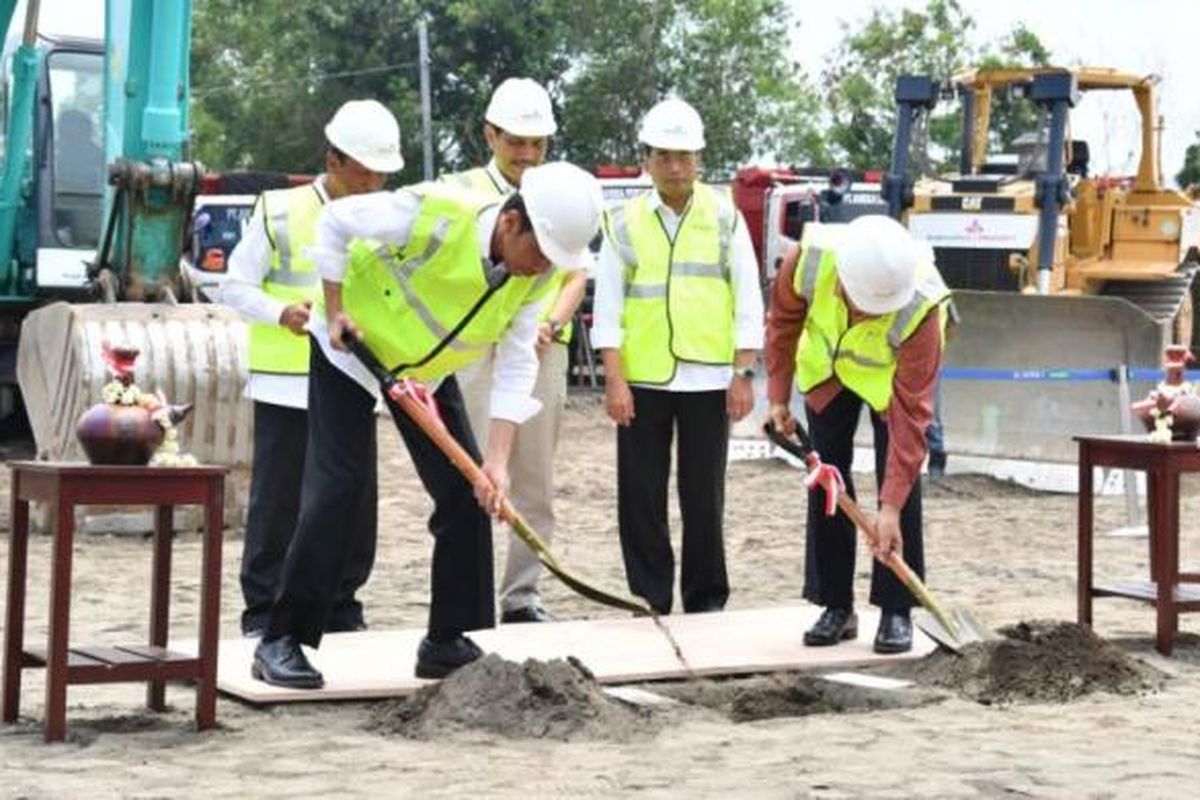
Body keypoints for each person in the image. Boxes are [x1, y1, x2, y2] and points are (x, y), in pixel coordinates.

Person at [251, 160, 604, 689]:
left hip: (425, 372)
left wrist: (497, 463)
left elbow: (515, 364)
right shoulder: (435, 214)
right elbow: (334, 224)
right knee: (339, 488)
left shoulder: (535, 278)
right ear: (511, 223)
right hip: (355, 349)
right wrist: (335, 305)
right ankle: (283, 638)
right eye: (540, 253)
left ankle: (446, 640)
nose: (543, 270)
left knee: (468, 492)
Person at [218, 100, 402, 638]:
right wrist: (281, 313)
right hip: (286, 382)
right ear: (333, 160)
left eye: (381, 173)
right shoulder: (279, 211)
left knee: (352, 502)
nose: (372, 183)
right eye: (363, 171)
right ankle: (262, 611)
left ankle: (342, 607)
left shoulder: (385, 218)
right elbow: (234, 285)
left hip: (352, 381)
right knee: (278, 503)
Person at [592, 98, 764, 615]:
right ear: (646, 160)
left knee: (704, 498)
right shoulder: (623, 222)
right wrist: (615, 381)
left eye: (684, 156)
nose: (675, 167)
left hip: (710, 381)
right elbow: (609, 307)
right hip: (643, 381)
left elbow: (748, 300)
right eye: (664, 156)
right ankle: (650, 596)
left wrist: (742, 373)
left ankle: (707, 598)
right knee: (640, 498)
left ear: (699, 160)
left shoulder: (725, 218)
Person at [765, 214, 950, 654]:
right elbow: (783, 325)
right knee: (826, 479)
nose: (871, 310)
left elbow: (912, 422)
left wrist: (888, 508)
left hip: (889, 386)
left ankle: (896, 609)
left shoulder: (922, 307)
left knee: (901, 489)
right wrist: (776, 398)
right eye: (864, 300)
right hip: (826, 373)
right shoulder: (807, 261)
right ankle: (835, 605)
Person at [443, 78, 588, 624]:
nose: (527, 154)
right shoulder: (461, 191)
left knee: (533, 478)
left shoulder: (561, 194)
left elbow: (577, 273)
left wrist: (550, 323)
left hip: (540, 348)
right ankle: (473, 594)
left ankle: (522, 595)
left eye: (538, 144)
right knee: (474, 471)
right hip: (472, 350)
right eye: (516, 142)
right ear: (490, 134)